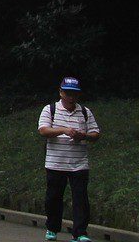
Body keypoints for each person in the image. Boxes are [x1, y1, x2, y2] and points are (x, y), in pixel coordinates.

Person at [38, 77, 100, 242]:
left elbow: (95, 134)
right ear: (61, 92)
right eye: (67, 93)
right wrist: (65, 130)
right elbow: (43, 130)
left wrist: (83, 135)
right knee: (53, 198)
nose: (71, 97)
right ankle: (52, 227)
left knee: (80, 198)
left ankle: (80, 232)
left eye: (74, 93)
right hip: (55, 162)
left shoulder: (85, 112)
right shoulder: (50, 109)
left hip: (79, 163)